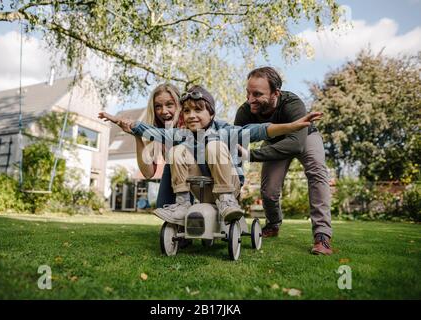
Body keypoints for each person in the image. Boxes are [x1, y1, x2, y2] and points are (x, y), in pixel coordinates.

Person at [99, 85, 323, 226]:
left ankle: (226, 201)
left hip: (228, 187)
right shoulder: (181, 134)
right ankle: (182, 204)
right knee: (177, 151)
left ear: (211, 113)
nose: (191, 115)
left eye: (198, 110)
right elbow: (154, 131)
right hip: (202, 190)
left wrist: (292, 125)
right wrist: (124, 123)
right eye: (187, 111)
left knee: (214, 147)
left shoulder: (226, 131)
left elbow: (262, 130)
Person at [234, 66, 333, 255]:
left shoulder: (292, 103)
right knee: (269, 191)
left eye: (257, 94)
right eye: (248, 93)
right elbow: (234, 145)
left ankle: (322, 236)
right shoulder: (245, 111)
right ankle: (273, 224)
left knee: (317, 173)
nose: (250, 99)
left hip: (304, 137)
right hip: (273, 142)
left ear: (275, 93)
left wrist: (252, 155)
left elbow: (296, 144)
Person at [114, 83, 183, 208]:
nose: (163, 111)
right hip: (174, 175)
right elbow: (148, 173)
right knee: (163, 208)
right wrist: (137, 135)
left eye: (169, 105)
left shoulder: (187, 126)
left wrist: (139, 127)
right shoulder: (155, 132)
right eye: (158, 106)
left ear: (179, 105)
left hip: (197, 177)